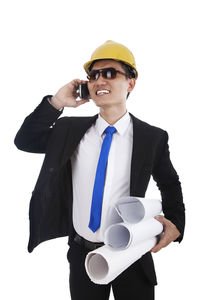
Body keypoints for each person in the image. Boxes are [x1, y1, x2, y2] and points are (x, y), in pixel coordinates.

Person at [14, 40, 185, 300]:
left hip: (131, 251)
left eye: (109, 73)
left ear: (130, 83)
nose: (99, 81)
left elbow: (170, 183)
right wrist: (57, 102)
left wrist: (176, 223)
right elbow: (24, 140)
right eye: (93, 76)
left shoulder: (152, 137)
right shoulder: (70, 132)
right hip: (84, 255)